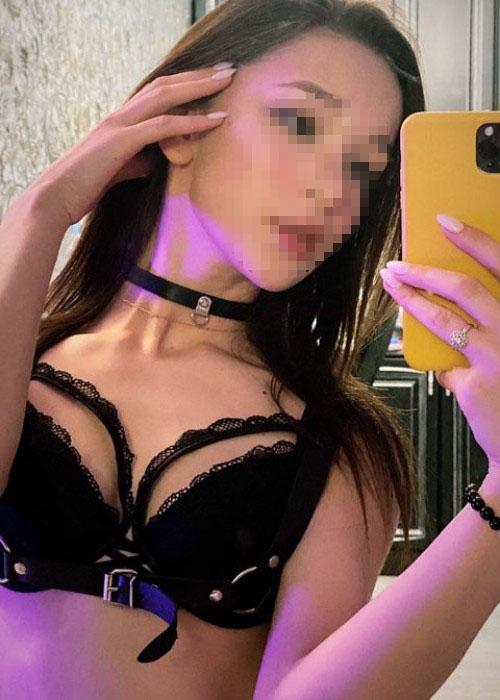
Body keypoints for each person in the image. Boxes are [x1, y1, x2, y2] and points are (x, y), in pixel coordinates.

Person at [0, 0, 499, 699]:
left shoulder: (340, 445)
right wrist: (41, 210)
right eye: (300, 123)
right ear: (180, 125)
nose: (334, 192)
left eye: (364, 170)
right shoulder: (22, 352)